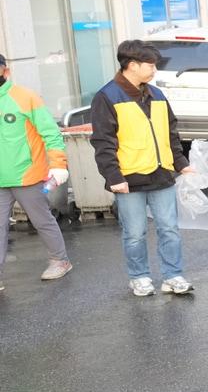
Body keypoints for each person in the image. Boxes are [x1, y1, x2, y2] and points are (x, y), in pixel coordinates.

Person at [90, 39, 197, 296]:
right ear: (132, 65)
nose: (154, 70)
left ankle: (173, 276)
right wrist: (113, 176)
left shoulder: (156, 94)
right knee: (135, 233)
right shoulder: (107, 96)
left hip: (161, 175)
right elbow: (103, 141)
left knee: (169, 229)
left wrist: (181, 163)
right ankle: (139, 277)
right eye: (150, 65)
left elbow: (170, 132)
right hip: (129, 178)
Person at [0, 53, 72, 290]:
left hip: (27, 175)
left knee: (41, 220)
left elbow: (50, 133)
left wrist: (58, 164)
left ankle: (60, 260)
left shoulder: (25, 97)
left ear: (5, 71)